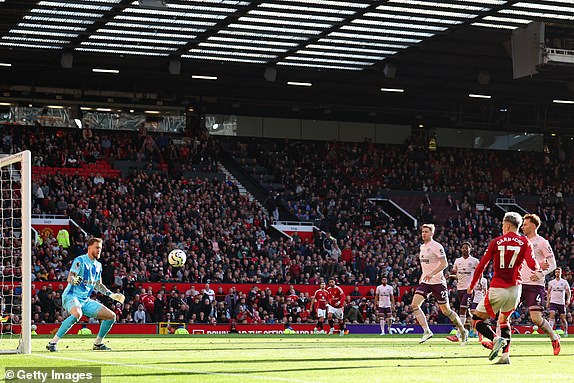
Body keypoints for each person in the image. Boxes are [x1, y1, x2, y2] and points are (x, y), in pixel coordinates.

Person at [468, 212, 548, 365]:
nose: (502, 228)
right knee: (504, 321)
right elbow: (532, 264)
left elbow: (481, 265)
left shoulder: (496, 242)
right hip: (515, 290)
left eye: (503, 225)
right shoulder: (525, 242)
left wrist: (472, 286)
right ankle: (505, 357)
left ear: (507, 225)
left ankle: (495, 339)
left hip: (498, 287)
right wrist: (539, 267)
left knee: (477, 319)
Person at [46, 238, 125, 352]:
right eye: (97, 248)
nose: (99, 250)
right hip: (71, 296)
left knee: (111, 316)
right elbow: (70, 277)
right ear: (89, 248)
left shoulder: (98, 265)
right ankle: (52, 343)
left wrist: (111, 294)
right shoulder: (80, 260)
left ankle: (98, 344)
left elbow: (98, 285)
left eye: (100, 248)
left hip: (85, 300)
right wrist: (74, 280)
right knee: (77, 314)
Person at [411, 224, 467, 344]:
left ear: (432, 233)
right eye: (422, 232)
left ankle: (462, 330)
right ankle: (427, 331)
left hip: (438, 282)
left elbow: (444, 263)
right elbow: (425, 265)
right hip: (426, 282)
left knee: (446, 310)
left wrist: (432, 273)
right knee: (414, 305)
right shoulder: (422, 247)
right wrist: (424, 276)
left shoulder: (436, 246)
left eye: (426, 231)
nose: (423, 234)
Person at [519, 213, 560, 354]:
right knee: (504, 313)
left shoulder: (542, 242)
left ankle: (554, 337)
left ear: (534, 225)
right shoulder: (521, 241)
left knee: (536, 318)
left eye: (525, 224)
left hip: (534, 285)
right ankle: (500, 344)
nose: (523, 226)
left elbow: (553, 263)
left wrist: (540, 273)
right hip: (518, 283)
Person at [447, 241, 479, 342]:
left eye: (467, 248)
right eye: (463, 248)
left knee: (462, 310)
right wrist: (449, 276)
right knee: (468, 314)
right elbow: (456, 273)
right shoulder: (457, 261)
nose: (465, 250)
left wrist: (477, 284)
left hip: (469, 289)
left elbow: (479, 273)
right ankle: (477, 329)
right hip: (460, 289)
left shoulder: (474, 261)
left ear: (470, 249)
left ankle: (458, 334)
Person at [547, 267, 571, 337]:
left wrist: (568, 299)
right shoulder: (551, 282)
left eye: (558, 272)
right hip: (553, 302)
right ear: (555, 273)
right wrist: (548, 301)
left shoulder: (564, 282)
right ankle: (550, 332)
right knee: (552, 315)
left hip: (561, 302)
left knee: (563, 319)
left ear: (561, 273)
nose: (557, 273)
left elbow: (568, 292)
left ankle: (566, 331)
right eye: (556, 272)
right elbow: (548, 293)